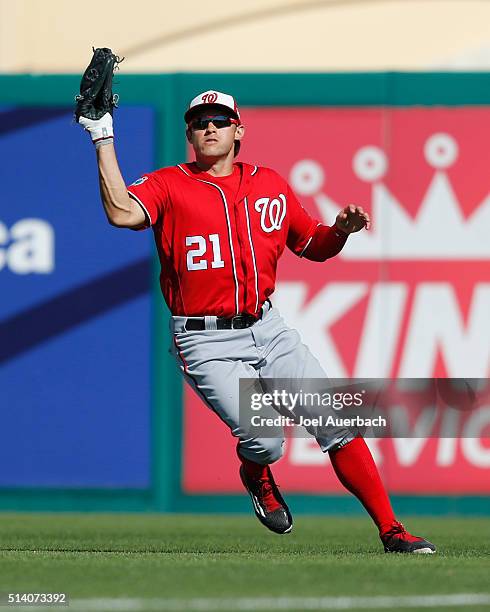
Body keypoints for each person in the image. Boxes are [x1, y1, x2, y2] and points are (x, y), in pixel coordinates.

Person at [78, 89, 436, 553]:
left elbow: (313, 245)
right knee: (268, 442)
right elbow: (120, 211)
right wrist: (102, 134)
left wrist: (341, 232)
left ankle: (392, 531)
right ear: (188, 133)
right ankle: (257, 473)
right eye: (200, 121)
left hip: (267, 329)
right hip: (204, 339)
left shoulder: (270, 184)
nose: (210, 127)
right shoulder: (169, 183)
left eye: (220, 121)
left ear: (238, 131)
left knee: (337, 422)